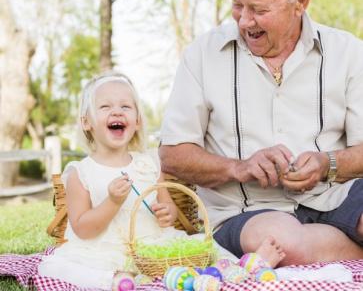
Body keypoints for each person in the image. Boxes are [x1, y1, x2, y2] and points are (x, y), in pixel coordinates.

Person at [159, 0, 363, 267]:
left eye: (259, 9)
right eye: (238, 5)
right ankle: (340, 247)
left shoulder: (348, 52)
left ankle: (326, 243)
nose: (243, 20)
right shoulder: (203, 54)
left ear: (301, 1)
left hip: (334, 196)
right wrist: (239, 168)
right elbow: (173, 155)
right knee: (281, 243)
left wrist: (327, 164)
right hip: (243, 213)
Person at [38, 71, 262, 290]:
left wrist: (166, 214)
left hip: (153, 246)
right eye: (105, 107)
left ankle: (240, 267)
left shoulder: (148, 164)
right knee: (52, 266)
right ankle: (112, 280)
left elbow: (170, 212)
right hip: (105, 252)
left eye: (125, 106)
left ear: (136, 121)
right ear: (87, 122)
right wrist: (112, 202)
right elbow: (83, 230)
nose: (117, 112)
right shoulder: (81, 172)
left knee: (205, 245)